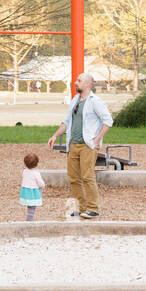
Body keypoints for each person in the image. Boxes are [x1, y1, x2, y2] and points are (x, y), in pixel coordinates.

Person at [47, 72, 114, 220]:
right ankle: (80, 208)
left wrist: (96, 141)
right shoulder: (75, 100)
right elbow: (66, 121)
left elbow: (108, 121)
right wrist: (55, 135)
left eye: (79, 81)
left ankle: (93, 208)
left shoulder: (95, 101)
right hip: (73, 145)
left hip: (87, 145)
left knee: (87, 176)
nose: (76, 83)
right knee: (73, 177)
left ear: (88, 84)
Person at [19, 153, 45, 221]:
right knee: (32, 207)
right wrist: (43, 185)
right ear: (36, 164)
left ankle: (29, 218)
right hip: (33, 193)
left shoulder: (24, 171)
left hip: (26, 192)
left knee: (30, 206)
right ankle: (29, 220)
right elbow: (40, 183)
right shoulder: (36, 173)